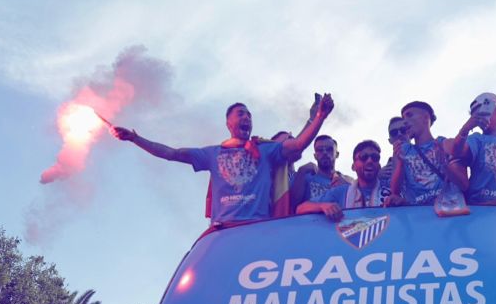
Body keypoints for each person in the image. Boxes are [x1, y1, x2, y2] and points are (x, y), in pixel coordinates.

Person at [112, 95, 335, 227]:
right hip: (223, 232)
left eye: (249, 114)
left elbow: (297, 145)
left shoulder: (266, 150)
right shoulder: (212, 153)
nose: (247, 117)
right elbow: (171, 153)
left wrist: (319, 118)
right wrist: (135, 138)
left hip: (259, 228)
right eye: (240, 114)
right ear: (228, 122)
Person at [385, 101, 466, 208]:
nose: (405, 122)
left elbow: (464, 185)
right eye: (403, 118)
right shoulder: (402, 150)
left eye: (409, 115)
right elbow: (395, 191)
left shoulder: (444, 143)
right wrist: (399, 163)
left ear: (425, 117)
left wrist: (444, 165)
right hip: (418, 216)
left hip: (448, 213)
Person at [293, 135, 351, 219]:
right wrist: (301, 172)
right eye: (319, 150)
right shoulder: (305, 178)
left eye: (329, 149)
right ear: (315, 155)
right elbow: (293, 208)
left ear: (337, 154)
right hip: (313, 228)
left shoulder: (347, 180)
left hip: (343, 228)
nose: (324, 152)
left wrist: (347, 185)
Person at [343, 139, 391, 211]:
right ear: (353, 166)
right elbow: (319, 205)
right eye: (364, 157)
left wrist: (401, 204)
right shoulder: (341, 192)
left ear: (379, 166)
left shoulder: (391, 190)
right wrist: (323, 206)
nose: (370, 161)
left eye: (375, 157)